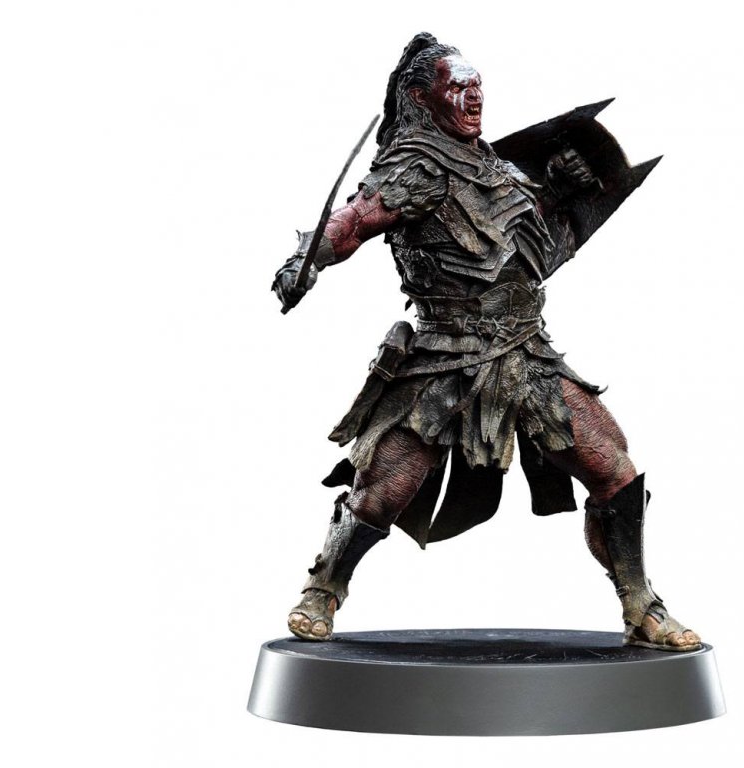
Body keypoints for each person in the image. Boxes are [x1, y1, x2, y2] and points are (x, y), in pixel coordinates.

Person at [271, 33, 700, 652]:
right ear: (421, 97)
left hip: (526, 351)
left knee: (616, 472)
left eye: (478, 86)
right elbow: (354, 221)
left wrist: (560, 188)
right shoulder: (413, 167)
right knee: (381, 492)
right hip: (444, 358)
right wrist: (304, 261)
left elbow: (516, 246)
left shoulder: (495, 166)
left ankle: (641, 604)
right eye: (458, 87)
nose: (474, 97)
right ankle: (323, 589)